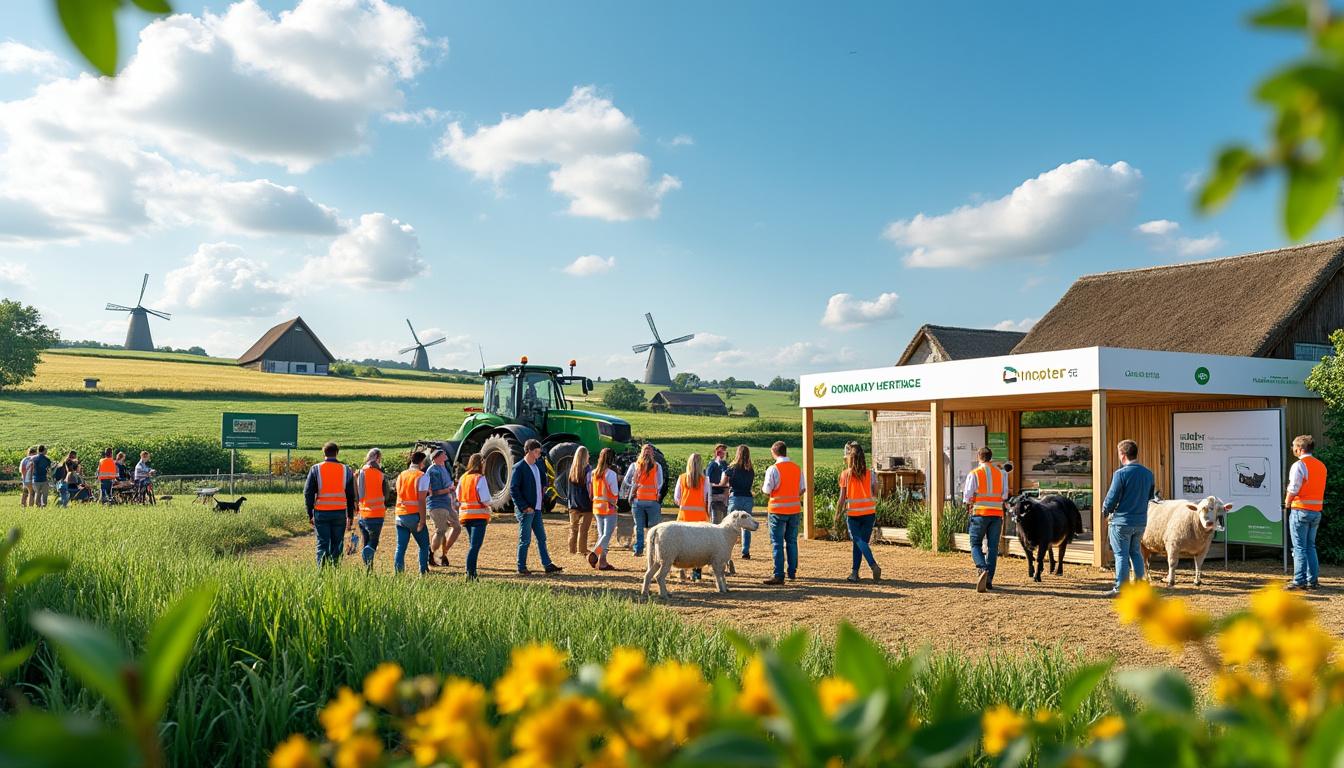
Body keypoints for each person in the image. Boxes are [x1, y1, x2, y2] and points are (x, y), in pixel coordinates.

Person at [1101, 439, 1155, 597]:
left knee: (1120, 555)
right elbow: (1150, 496)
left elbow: (1111, 498)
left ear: (1122, 455)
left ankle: (1121, 589)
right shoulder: (1148, 473)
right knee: (1136, 552)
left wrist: (1105, 511)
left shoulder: (1120, 474)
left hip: (1121, 522)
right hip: (1140, 522)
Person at [510, 439, 562, 575]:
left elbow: (542, 482)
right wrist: (524, 507)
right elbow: (514, 490)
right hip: (527, 510)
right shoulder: (519, 467)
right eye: (537, 451)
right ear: (529, 451)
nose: (539, 454)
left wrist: (544, 491)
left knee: (542, 538)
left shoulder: (538, 466)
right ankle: (521, 567)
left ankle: (547, 564)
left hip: (537, 509)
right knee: (525, 540)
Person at [304, 441, 356, 568]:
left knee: (322, 544)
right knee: (337, 544)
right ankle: (335, 572)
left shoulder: (315, 469)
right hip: (339, 513)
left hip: (321, 512)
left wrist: (310, 513)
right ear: (337, 453)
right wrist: (350, 516)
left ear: (324, 453)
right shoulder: (346, 470)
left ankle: (322, 574)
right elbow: (351, 495)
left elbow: (308, 493)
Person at [1285, 434, 1326, 591]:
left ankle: (1299, 580)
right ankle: (1312, 580)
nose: (1293, 449)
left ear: (1300, 449)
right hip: (1316, 511)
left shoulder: (1299, 465)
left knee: (1299, 547)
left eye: (1294, 447)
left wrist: (1286, 503)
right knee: (1310, 546)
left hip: (1300, 510)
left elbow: (1293, 488)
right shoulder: (1321, 465)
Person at [964, 446, 1008, 593]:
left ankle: (982, 569)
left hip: (979, 514)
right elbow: (1004, 496)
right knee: (993, 547)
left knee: (975, 544)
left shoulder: (974, 473)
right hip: (996, 515)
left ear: (978, 457)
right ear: (991, 457)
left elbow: (967, 497)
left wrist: (969, 505)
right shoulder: (1001, 474)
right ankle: (989, 579)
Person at [762, 441, 805, 585]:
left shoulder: (773, 469)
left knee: (777, 543)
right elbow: (802, 489)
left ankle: (779, 574)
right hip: (794, 509)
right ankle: (792, 571)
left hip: (777, 510)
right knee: (792, 541)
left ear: (774, 452)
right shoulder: (796, 468)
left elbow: (767, 490)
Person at [838, 441, 881, 582]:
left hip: (853, 515)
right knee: (861, 543)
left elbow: (842, 498)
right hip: (869, 514)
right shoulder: (871, 474)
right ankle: (854, 573)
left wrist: (838, 513)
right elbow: (875, 493)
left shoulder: (845, 475)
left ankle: (873, 565)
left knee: (858, 541)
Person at [674, 452, 712, 580]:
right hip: (700, 517)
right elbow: (708, 499)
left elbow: (676, 498)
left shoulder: (682, 478)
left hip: (684, 516)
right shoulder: (705, 480)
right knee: (699, 548)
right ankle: (696, 574)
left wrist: (683, 504)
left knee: (682, 546)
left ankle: (682, 571)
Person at [394, 451, 433, 575]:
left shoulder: (402, 474)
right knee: (424, 545)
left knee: (401, 547)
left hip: (400, 514)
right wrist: (422, 520)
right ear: (422, 463)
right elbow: (421, 500)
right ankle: (423, 571)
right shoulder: (422, 476)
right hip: (414, 515)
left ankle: (398, 573)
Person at [623, 444, 664, 557]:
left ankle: (639, 549)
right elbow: (660, 483)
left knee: (639, 526)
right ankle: (651, 550)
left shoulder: (635, 466)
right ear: (652, 454)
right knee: (653, 527)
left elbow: (626, 481)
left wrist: (635, 486)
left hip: (638, 500)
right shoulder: (657, 466)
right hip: (652, 500)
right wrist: (656, 491)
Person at [425, 449, 462, 568]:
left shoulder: (443, 467)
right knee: (441, 530)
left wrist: (453, 499)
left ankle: (444, 553)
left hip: (447, 503)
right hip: (437, 504)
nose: (446, 455)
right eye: (444, 454)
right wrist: (450, 490)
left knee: (456, 527)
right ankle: (431, 552)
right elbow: (434, 492)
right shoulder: (434, 470)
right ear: (437, 457)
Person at [457, 453, 492, 579]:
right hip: (478, 516)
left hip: (465, 516)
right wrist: (490, 505)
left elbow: (458, 496)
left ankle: (471, 572)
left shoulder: (463, 478)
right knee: (475, 546)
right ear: (481, 463)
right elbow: (485, 499)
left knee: (473, 544)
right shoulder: (480, 478)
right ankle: (470, 573)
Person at [354, 448, 388, 571]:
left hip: (363, 513)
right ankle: (369, 566)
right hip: (377, 513)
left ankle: (368, 570)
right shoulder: (381, 474)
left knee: (365, 541)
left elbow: (358, 494)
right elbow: (387, 495)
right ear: (378, 458)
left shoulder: (360, 472)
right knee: (373, 542)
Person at [588, 448, 620, 571]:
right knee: (606, 535)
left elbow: (591, 492)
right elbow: (615, 492)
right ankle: (595, 554)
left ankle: (603, 562)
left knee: (602, 535)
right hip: (609, 506)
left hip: (597, 506)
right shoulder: (611, 474)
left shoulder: (593, 473)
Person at [724, 445, 756, 559]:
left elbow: (724, 482)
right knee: (746, 525)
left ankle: (728, 549)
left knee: (730, 525)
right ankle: (745, 551)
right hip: (747, 497)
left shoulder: (732, 468)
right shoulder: (750, 469)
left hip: (735, 497)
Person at [566, 446, 594, 555]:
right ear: (586, 456)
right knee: (584, 530)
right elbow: (589, 488)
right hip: (586, 505)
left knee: (573, 529)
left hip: (573, 504)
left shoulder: (571, 471)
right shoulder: (588, 471)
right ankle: (582, 549)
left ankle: (572, 550)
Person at [707, 443, 730, 524]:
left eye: (724, 451)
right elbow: (707, 480)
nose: (722, 454)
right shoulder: (712, 464)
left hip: (725, 496)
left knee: (725, 521)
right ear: (716, 452)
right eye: (720, 451)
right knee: (715, 521)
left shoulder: (726, 465)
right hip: (715, 495)